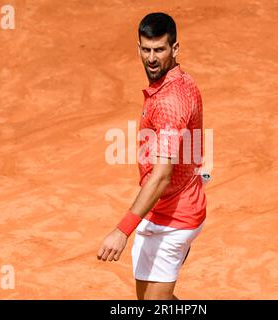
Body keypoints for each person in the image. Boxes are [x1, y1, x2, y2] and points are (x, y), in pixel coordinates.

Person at [97, 12, 207, 300]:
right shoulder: (179, 82)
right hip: (169, 206)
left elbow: (161, 176)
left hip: (173, 218)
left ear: (175, 49)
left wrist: (122, 231)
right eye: (146, 49)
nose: (151, 58)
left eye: (159, 49)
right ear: (138, 48)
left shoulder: (171, 102)